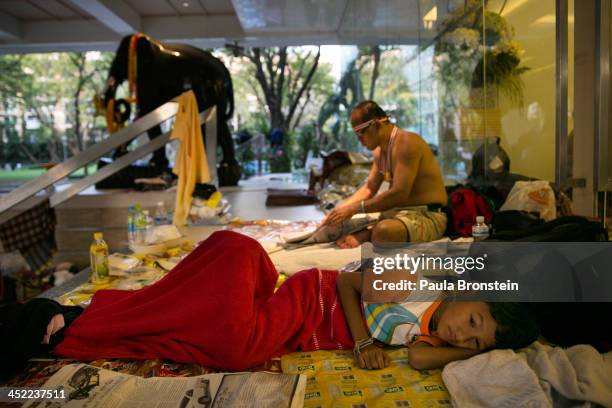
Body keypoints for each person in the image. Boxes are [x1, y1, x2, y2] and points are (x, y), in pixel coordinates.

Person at [3, 232, 538, 379]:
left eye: (473, 341)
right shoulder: (421, 282)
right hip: (312, 299)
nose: (462, 336)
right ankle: (90, 314)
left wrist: (467, 349)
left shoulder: (426, 339)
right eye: (473, 322)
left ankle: (93, 319)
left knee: (221, 332)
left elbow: (423, 360)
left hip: (294, 327)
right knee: (236, 341)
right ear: (470, 293)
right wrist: (358, 340)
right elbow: (351, 284)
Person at [323, 101, 448, 248]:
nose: (359, 140)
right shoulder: (380, 152)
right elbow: (369, 189)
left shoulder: (406, 142)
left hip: (427, 215)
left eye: (361, 133)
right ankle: (368, 232)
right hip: (396, 214)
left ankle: (368, 234)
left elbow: (399, 194)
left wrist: (354, 209)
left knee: (383, 232)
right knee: (337, 225)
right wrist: (337, 212)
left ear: (376, 125)